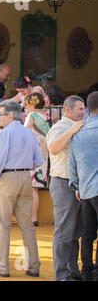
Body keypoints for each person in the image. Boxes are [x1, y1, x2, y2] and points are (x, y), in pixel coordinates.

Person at [0, 101, 44, 277]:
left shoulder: (5, 133)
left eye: (2, 114)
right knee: (27, 225)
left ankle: (3, 268)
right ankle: (33, 266)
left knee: (2, 225)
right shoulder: (28, 132)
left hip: (7, 177)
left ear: (10, 116)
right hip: (25, 176)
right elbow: (39, 160)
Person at [46, 95, 86, 281]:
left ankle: (73, 271)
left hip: (78, 184)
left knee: (75, 231)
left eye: (84, 108)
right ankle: (61, 274)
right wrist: (72, 131)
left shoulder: (80, 125)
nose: (83, 112)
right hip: (62, 183)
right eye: (80, 109)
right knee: (64, 230)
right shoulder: (59, 127)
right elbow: (53, 148)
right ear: (68, 110)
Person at [69, 91, 98, 281]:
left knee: (87, 234)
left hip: (86, 190)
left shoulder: (78, 131)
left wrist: (77, 187)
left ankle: (87, 272)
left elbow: (72, 166)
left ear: (88, 108)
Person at [24, 93, 51, 226]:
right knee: (35, 189)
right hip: (43, 156)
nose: (26, 107)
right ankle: (34, 218)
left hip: (32, 156)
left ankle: (30, 218)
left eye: (27, 104)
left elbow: (23, 133)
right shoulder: (46, 116)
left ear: (33, 104)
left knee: (29, 188)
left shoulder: (32, 116)